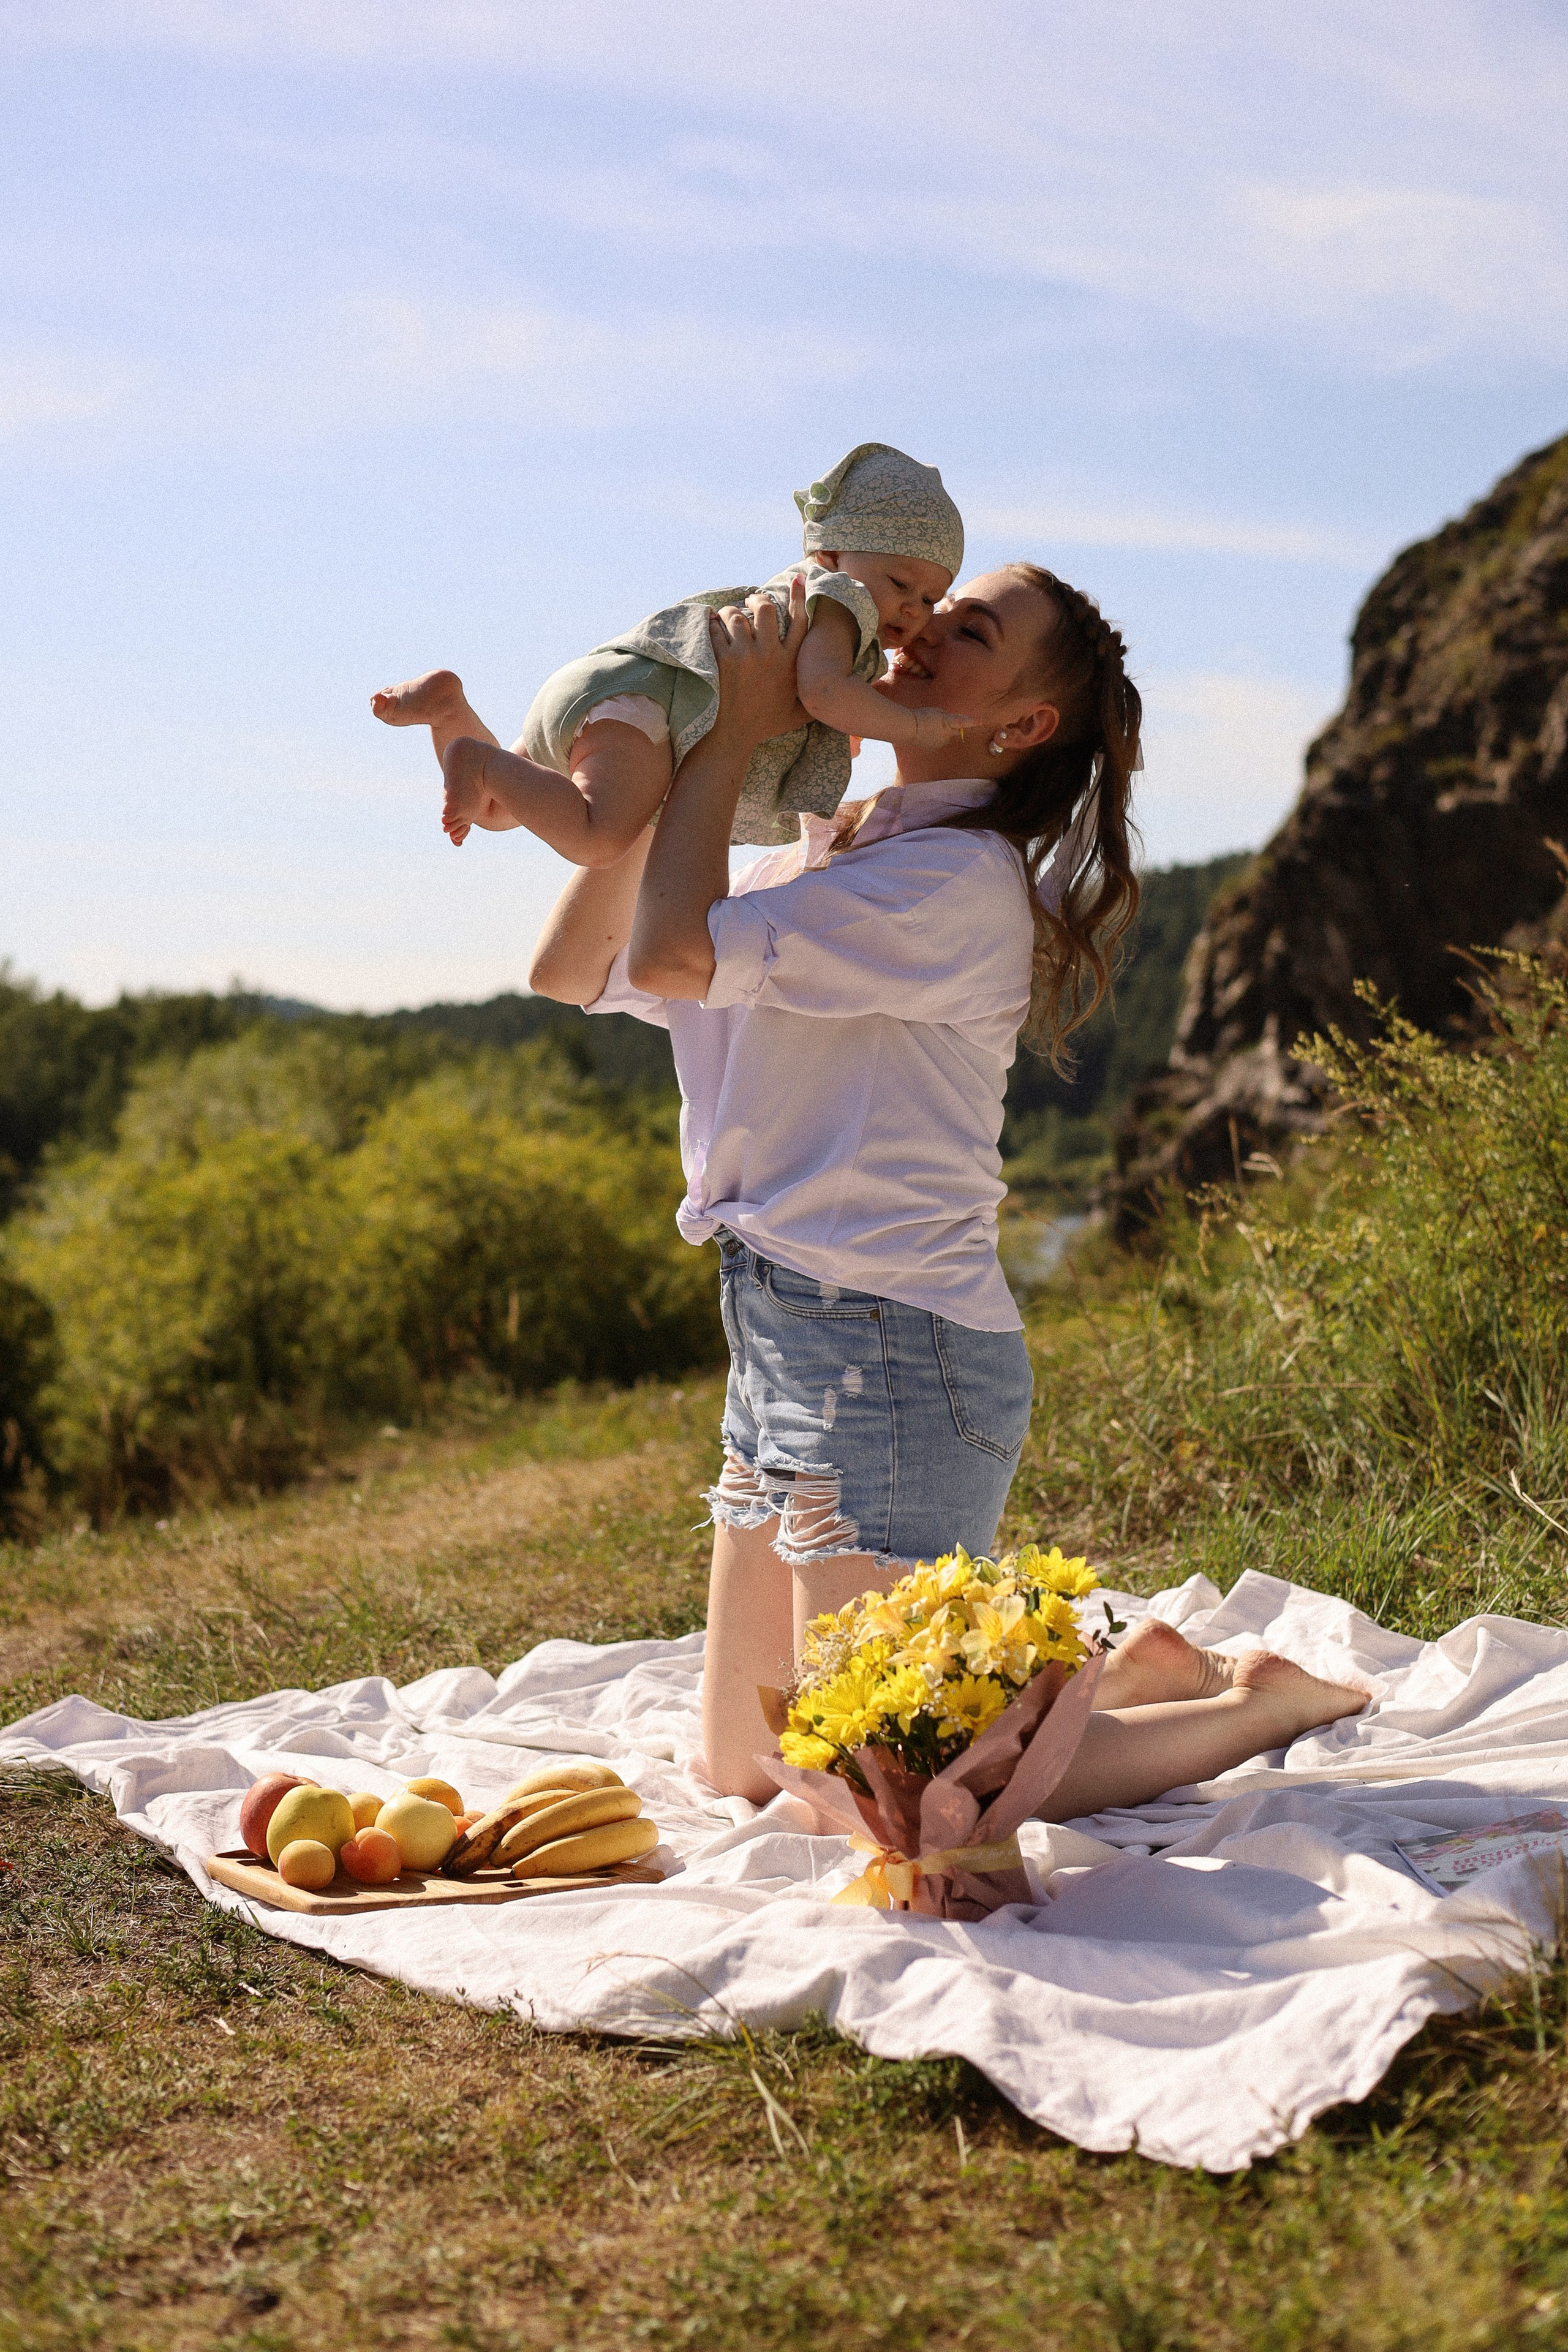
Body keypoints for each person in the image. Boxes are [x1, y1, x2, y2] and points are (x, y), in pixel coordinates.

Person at [529, 566, 1368, 1807]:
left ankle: (1260, 1704)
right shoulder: (835, 847)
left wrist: (746, 731)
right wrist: (681, 753)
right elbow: (575, 967)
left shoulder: (950, 883)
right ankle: (1124, 1676)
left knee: (897, 1796)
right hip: (782, 1332)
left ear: (1018, 727)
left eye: (967, 632)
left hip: (891, 1356)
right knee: (744, 1769)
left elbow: (669, 950)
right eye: (929, 611)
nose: (914, 632)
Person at [371, 442, 974, 861]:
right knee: (600, 838)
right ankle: (478, 760)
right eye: (899, 584)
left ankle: (449, 712)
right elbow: (823, 691)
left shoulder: (824, 606)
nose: (913, 610)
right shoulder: (838, 601)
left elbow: (820, 702)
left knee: (498, 811)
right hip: (645, 713)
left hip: (611, 690)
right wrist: (912, 726)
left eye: (931, 597)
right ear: (834, 553)